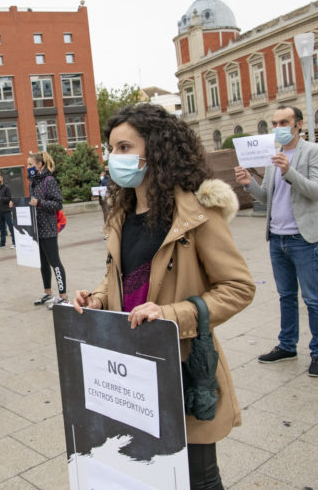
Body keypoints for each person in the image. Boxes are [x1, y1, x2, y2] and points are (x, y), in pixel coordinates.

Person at [73, 103, 255, 490]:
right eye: (111, 149)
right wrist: (97, 300)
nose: (114, 158)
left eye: (124, 147)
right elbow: (119, 280)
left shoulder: (198, 212)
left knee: (199, 477)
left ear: (154, 149)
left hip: (184, 366)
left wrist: (173, 314)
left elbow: (239, 287)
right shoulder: (120, 214)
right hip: (131, 371)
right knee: (150, 472)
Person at [235, 105, 318, 377]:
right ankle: (287, 345)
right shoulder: (271, 156)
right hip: (277, 239)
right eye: (275, 123)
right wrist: (248, 182)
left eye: (284, 122)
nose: (278, 127)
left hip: (304, 238)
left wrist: (289, 170)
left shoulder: (313, 151)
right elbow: (266, 197)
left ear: (298, 124)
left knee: (312, 299)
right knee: (286, 296)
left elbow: (317, 191)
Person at [27, 152, 68, 310]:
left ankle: (63, 296)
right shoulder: (33, 182)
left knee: (54, 262)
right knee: (43, 263)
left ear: (39, 165)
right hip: (37, 229)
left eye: (30, 164)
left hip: (49, 229)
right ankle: (48, 292)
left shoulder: (48, 180)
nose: (28, 167)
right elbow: (31, 203)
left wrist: (40, 203)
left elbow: (58, 204)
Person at [0, 174, 15, 249]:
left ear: (2, 179)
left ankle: (14, 242)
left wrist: (1, 198)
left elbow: (9, 198)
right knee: (1, 227)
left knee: (10, 226)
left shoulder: (6, 187)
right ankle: (2, 243)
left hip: (6, 210)